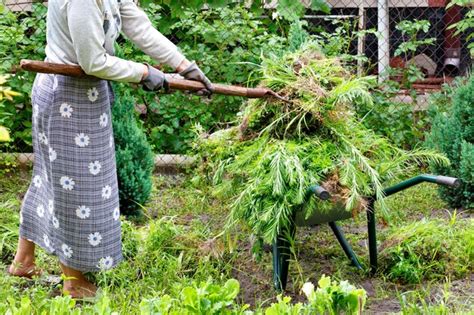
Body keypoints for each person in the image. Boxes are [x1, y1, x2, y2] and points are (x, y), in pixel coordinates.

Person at [8, 0, 213, 299]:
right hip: (65, 98)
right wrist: (143, 72)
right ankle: (74, 282)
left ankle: (23, 261)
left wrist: (183, 65)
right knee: (74, 190)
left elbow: (138, 26)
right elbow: (93, 62)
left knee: (49, 181)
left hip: (83, 96)